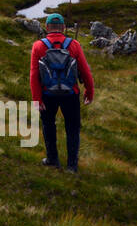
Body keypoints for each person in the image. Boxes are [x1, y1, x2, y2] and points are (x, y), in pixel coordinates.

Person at [30, 12, 95, 172]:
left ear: (47, 28)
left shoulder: (38, 46)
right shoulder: (74, 45)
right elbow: (85, 71)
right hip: (70, 94)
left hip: (47, 94)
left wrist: (37, 99)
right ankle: (72, 166)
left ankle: (52, 159)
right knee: (72, 128)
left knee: (48, 125)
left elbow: (34, 75)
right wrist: (89, 90)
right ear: (63, 28)